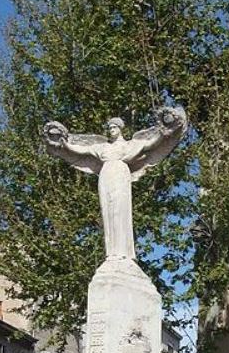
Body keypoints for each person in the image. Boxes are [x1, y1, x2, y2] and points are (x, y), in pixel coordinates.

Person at [43, 106, 188, 260]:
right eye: (110, 128)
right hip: (106, 175)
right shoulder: (102, 147)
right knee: (107, 210)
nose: (111, 130)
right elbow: (80, 150)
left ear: (120, 129)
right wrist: (64, 143)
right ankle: (111, 252)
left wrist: (164, 132)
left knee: (120, 210)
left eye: (114, 127)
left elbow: (151, 144)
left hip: (120, 174)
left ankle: (124, 252)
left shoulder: (130, 145)